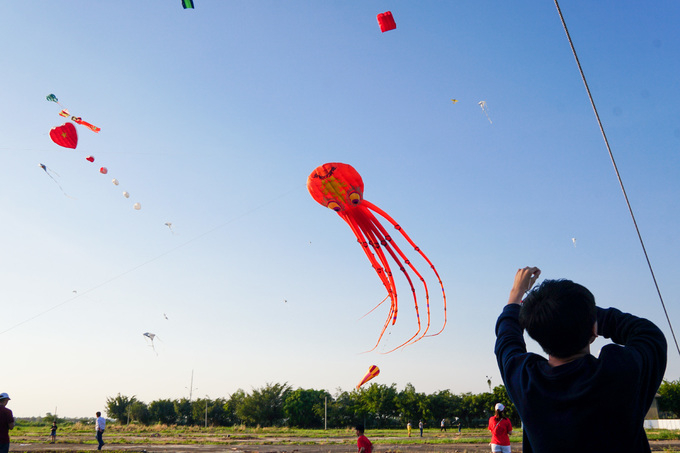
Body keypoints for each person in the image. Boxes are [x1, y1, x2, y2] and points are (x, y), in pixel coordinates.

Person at [495, 266, 667, 452]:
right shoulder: (622, 371)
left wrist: (516, 293)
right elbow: (648, 333)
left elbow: (507, 338)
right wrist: (579, 312)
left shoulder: (525, 381)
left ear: (535, 333)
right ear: (594, 330)